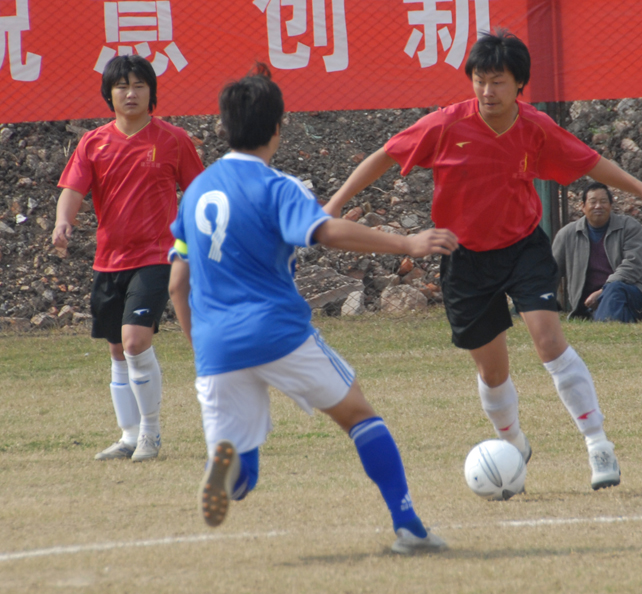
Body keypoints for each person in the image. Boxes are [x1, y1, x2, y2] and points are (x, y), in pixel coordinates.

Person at [325, 30, 642, 491]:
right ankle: (512, 443)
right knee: (492, 372)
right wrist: (334, 204)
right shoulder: (445, 125)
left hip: (522, 248)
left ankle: (598, 443)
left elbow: (591, 161)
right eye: (479, 80)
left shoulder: (535, 126)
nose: (487, 91)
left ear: (519, 85)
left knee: (548, 341)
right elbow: (384, 156)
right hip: (463, 258)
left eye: (497, 81)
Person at [167, 64, 457, 554]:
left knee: (243, 475)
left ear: (223, 127)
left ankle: (226, 464)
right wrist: (407, 242)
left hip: (216, 344)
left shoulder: (194, 192)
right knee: (359, 415)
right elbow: (326, 230)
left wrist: (201, 345)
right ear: (278, 128)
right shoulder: (280, 187)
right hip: (276, 330)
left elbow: (177, 283)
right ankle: (409, 527)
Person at [52, 55, 204, 462]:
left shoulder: (173, 139)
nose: (131, 93)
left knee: (136, 341)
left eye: (139, 85)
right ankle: (128, 435)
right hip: (109, 260)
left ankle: (150, 434)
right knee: (117, 349)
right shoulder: (93, 142)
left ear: (152, 92)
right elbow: (73, 189)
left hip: (157, 256)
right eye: (122, 86)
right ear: (109, 94)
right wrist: (63, 222)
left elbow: (200, 191)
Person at [552, 182, 642, 322]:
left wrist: (602, 292)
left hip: (627, 293)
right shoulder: (567, 234)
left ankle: (605, 323)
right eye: (593, 202)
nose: (598, 206)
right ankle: (610, 321)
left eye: (603, 201)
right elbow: (551, 272)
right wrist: (538, 303)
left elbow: (633, 265)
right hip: (587, 304)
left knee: (615, 289)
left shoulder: (629, 227)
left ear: (611, 205)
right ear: (582, 206)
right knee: (618, 313)